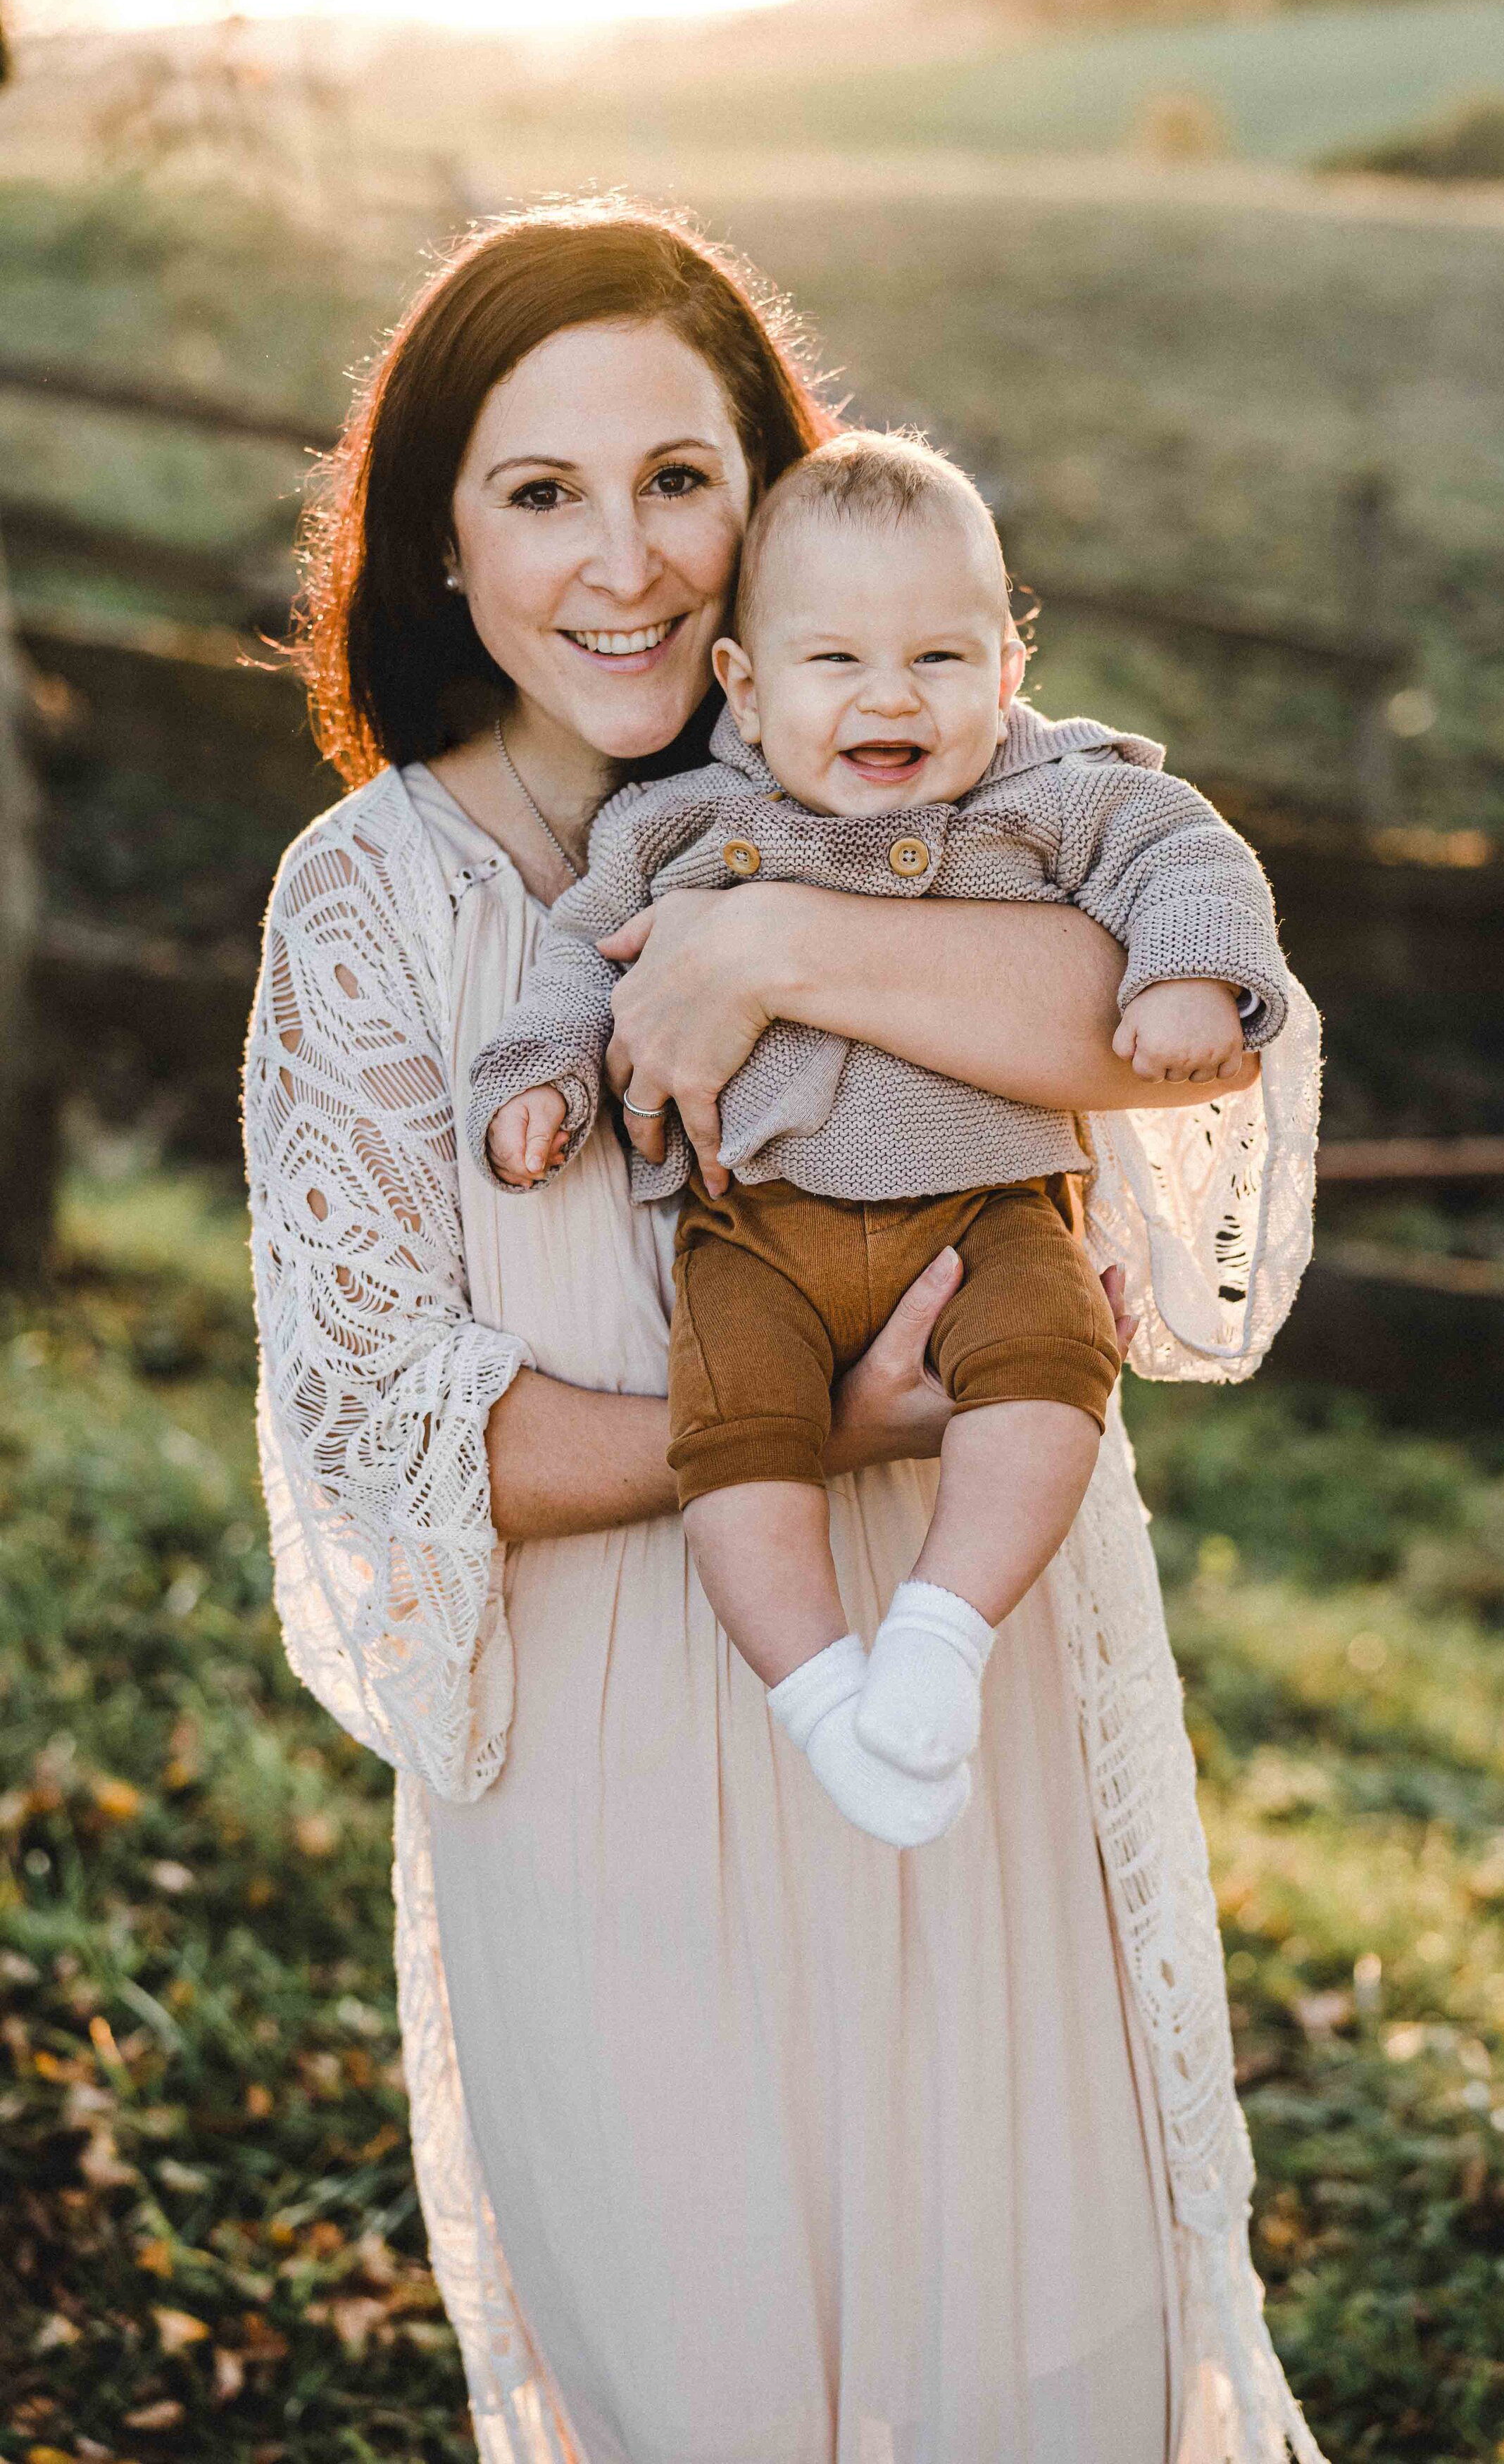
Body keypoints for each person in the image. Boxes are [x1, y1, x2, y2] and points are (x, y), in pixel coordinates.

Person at [245, 196, 1326, 2464]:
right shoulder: (370, 902)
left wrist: (771, 956)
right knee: (712, 2385)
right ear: (440, 545)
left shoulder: (923, 758)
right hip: (613, 1773)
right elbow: (400, 1428)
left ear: (767, 497)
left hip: (971, 1719)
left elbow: (1166, 1031)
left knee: (1034, 2360)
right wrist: (812, 1421)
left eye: (675, 479)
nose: (621, 561)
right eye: (538, 493)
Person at [470, 428, 1292, 1852]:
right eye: (834, 661)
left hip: (991, 1209)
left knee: (1051, 1369)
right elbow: (575, 960)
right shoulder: (677, 823)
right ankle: (818, 1698)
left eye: (938, 660)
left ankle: (937, 1634)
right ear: (742, 683)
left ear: (1007, 667)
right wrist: (540, 1073)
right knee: (736, 1444)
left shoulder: (1053, 792)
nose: (888, 699)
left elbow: (1186, 854)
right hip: (756, 1229)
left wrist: (1182, 973)